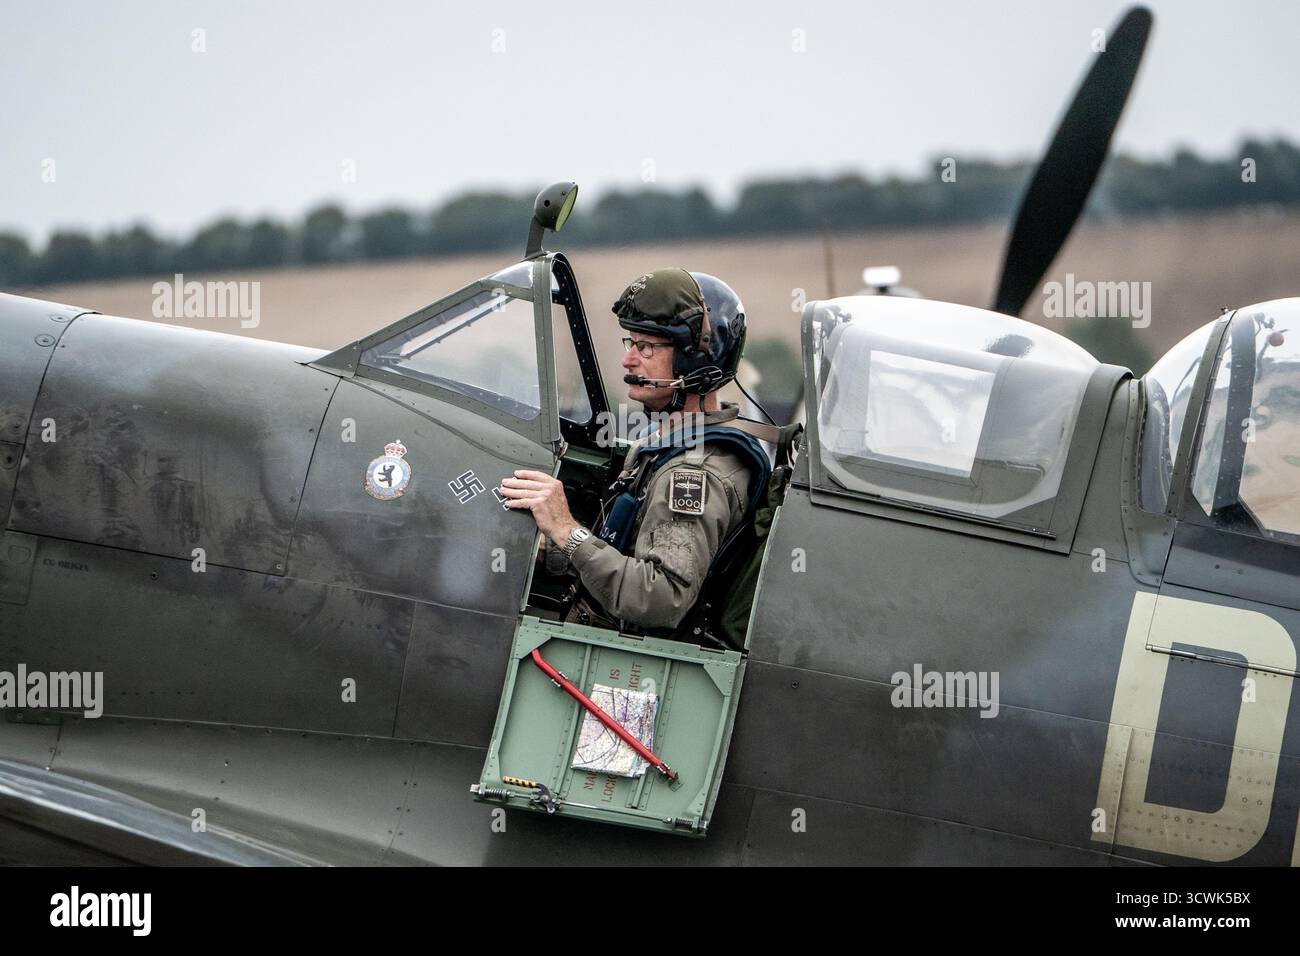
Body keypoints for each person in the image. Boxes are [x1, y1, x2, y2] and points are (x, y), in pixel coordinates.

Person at [497, 268, 769, 642]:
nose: (628, 360)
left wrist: (566, 529)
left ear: (693, 360)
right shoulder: (671, 444)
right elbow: (624, 553)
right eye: (632, 343)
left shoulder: (693, 474)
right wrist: (555, 549)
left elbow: (659, 597)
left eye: (647, 348)